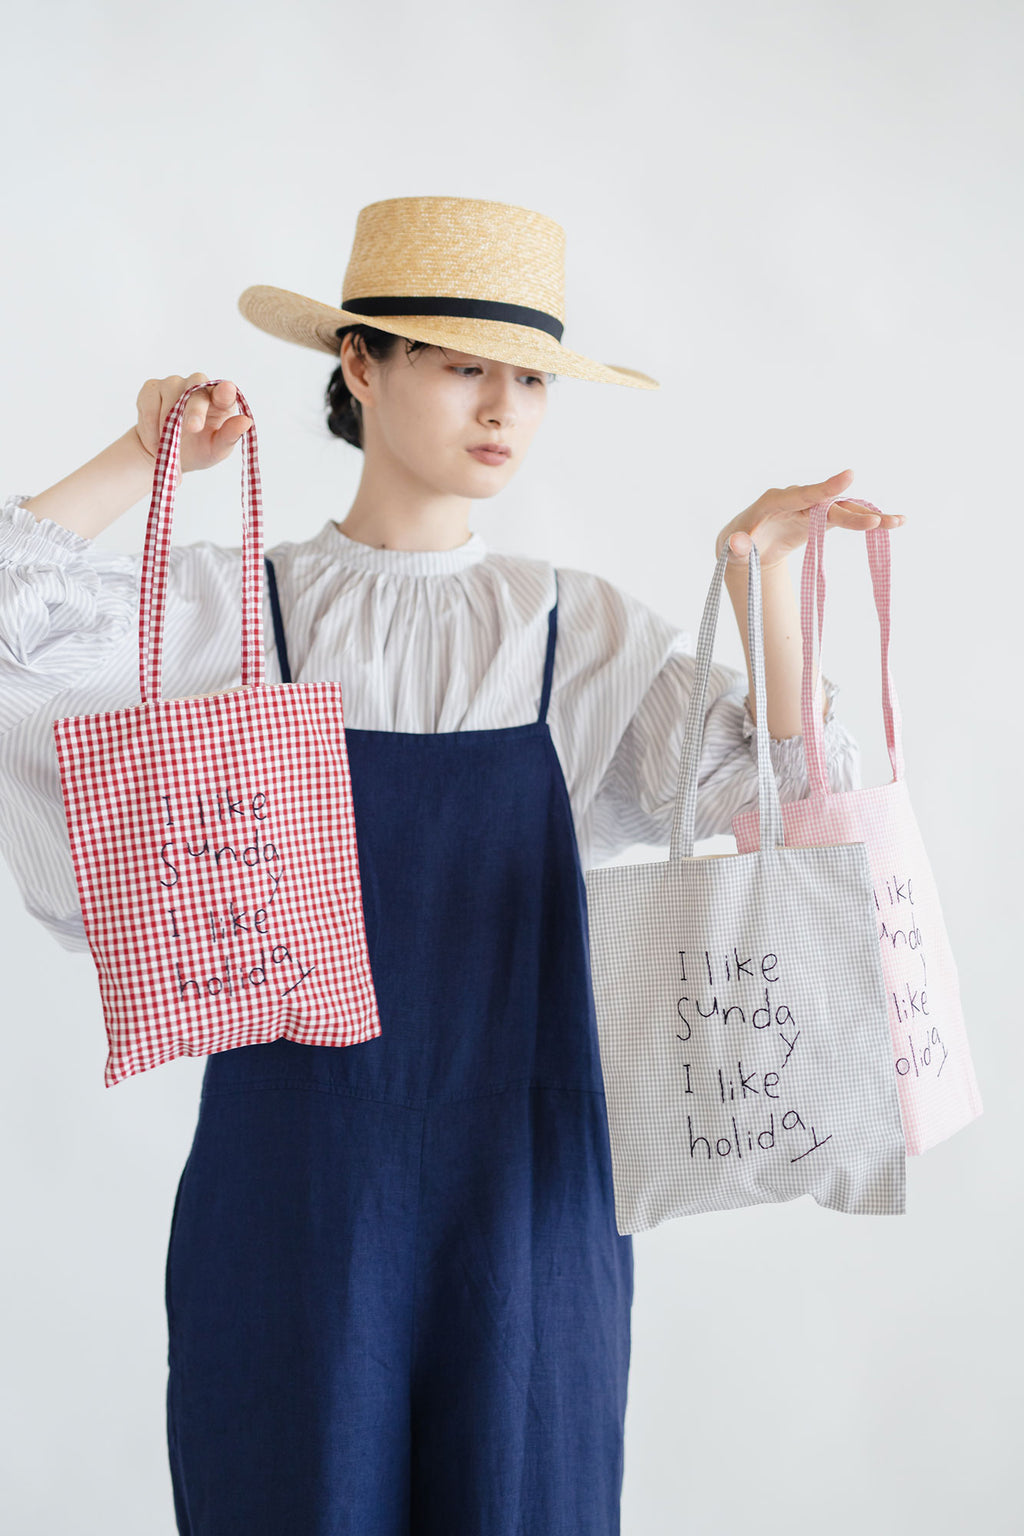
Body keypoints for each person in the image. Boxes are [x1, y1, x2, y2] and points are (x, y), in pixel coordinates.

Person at [0, 195, 903, 1535]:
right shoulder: (233, 610)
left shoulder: (580, 631)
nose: (503, 408)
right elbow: (13, 620)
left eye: (531, 378)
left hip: (533, 1199)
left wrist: (763, 578)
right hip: (292, 1194)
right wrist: (143, 456)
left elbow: (788, 802)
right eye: (463, 365)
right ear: (359, 366)